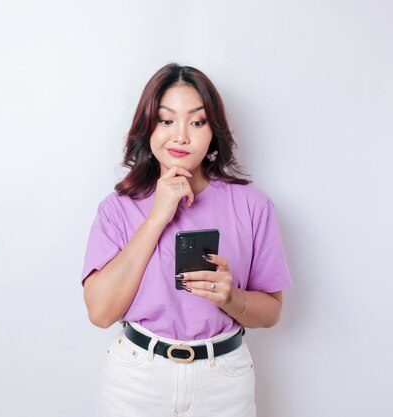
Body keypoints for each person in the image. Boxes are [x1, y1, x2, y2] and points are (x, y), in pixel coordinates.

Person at [81, 63, 292, 417]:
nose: (180, 136)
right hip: (137, 379)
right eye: (166, 120)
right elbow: (101, 313)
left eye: (197, 122)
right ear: (148, 126)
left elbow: (271, 312)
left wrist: (231, 298)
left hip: (223, 379)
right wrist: (158, 216)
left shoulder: (253, 206)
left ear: (214, 133)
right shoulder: (117, 208)